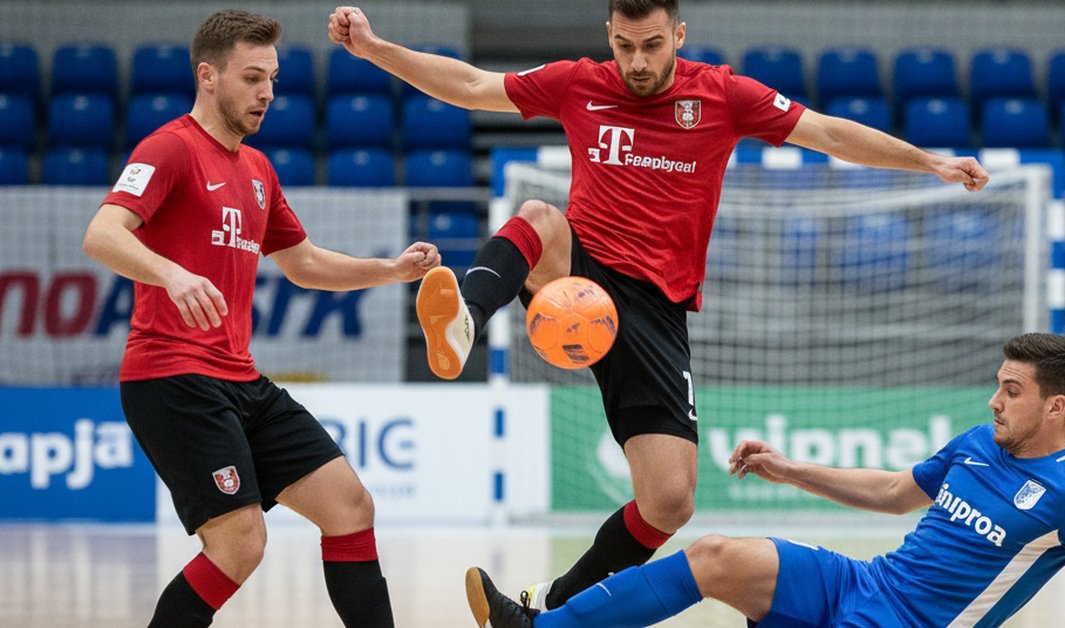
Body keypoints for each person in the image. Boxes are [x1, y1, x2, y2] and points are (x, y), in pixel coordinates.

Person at [329, 0, 991, 612]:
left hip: (656, 309)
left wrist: (929, 162)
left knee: (670, 502)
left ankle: (549, 605)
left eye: (651, 45)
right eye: (625, 46)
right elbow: (473, 85)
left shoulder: (723, 95)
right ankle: (466, 320)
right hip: (581, 277)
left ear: (678, 34)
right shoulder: (579, 83)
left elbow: (828, 133)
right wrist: (376, 48)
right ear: (609, 37)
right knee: (539, 215)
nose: (638, 61)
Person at [82, 10, 437, 628]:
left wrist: (391, 270)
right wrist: (170, 273)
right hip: (172, 379)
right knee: (240, 543)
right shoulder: (169, 149)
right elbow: (102, 233)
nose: (267, 92)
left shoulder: (257, 171)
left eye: (271, 78)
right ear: (208, 76)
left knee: (350, 506)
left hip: (240, 379)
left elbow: (304, 263)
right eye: (252, 78)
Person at [465, 333, 1065, 628]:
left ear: (1055, 407)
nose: (994, 401)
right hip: (864, 584)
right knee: (716, 554)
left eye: (1012, 391)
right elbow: (894, 494)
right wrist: (790, 470)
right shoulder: (976, 444)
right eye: (998, 385)